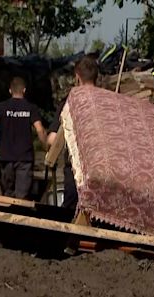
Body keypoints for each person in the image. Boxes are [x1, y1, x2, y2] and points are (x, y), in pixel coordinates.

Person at [47, 55, 99, 211]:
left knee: (70, 214)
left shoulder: (70, 103)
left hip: (75, 172)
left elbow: (52, 139)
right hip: (103, 173)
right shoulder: (108, 104)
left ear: (77, 77)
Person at [0, 76, 47, 199]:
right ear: (24, 90)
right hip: (25, 157)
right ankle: (21, 216)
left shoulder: (0, 107)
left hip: (6, 156)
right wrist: (46, 148)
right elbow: (40, 129)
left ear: (10, 90)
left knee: (7, 194)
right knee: (22, 196)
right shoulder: (31, 108)